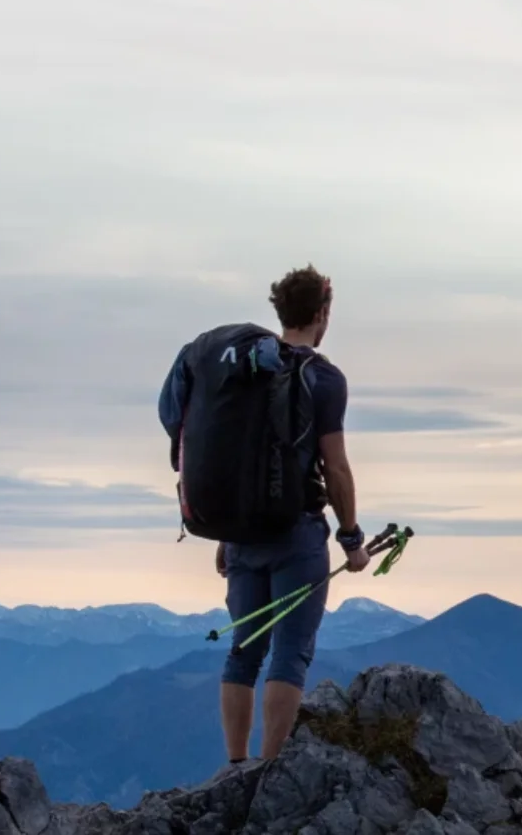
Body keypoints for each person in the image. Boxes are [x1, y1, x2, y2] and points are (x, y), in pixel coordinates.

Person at [157, 265, 370, 764]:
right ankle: (269, 773)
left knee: (243, 650)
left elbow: (237, 456)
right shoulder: (321, 379)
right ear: (322, 313)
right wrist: (352, 540)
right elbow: (335, 468)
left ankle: (235, 765)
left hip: (240, 539)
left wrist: (225, 537)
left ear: (279, 310)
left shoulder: (243, 372)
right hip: (294, 537)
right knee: (290, 654)